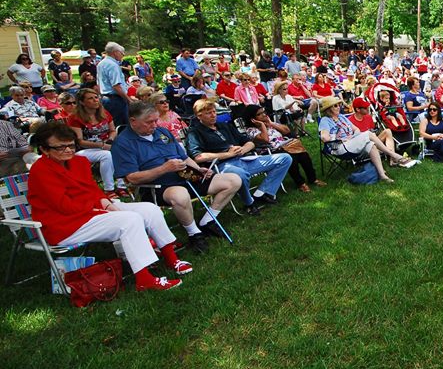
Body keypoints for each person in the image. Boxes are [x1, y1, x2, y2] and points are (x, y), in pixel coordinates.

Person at [27, 121, 185, 291]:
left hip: (89, 212)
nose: (68, 150)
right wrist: (101, 208)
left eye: (71, 145)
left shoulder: (79, 162)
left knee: (149, 209)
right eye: (60, 147)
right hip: (65, 225)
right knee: (129, 220)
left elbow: (93, 189)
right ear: (44, 149)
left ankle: (171, 258)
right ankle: (144, 279)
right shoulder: (40, 171)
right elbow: (63, 205)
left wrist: (105, 202)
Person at [112, 101, 243, 251]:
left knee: (233, 180)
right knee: (180, 195)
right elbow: (132, 178)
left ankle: (208, 221)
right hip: (159, 186)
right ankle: (194, 234)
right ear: (133, 121)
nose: (155, 125)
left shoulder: (162, 132)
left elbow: (184, 158)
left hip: (187, 175)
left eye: (156, 120)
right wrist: (163, 169)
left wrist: (199, 169)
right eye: (149, 122)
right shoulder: (123, 143)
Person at [185, 99, 292, 214]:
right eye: (208, 113)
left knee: (285, 158)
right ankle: (249, 203)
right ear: (198, 116)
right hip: (222, 166)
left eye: (214, 112)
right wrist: (228, 154)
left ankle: (263, 193)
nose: (213, 115)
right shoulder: (195, 133)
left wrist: (243, 149)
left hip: (243, 158)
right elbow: (198, 157)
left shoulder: (224, 126)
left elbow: (249, 142)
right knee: (241, 174)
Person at [316, 96, 414, 183]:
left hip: (351, 143)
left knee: (370, 145)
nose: (339, 107)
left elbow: (356, 129)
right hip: (339, 147)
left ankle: (382, 175)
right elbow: (325, 137)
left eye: (338, 105)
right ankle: (394, 155)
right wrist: (342, 139)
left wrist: (353, 137)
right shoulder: (325, 120)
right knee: (368, 134)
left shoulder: (342, 117)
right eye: (335, 106)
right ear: (329, 109)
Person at [241, 105, 324, 193]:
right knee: (292, 158)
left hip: (284, 145)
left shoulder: (269, 122)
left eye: (263, 112)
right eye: (259, 114)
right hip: (269, 151)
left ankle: (313, 179)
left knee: (303, 155)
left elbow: (287, 131)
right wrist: (262, 126)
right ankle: (301, 183)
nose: (264, 115)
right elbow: (265, 139)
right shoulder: (251, 130)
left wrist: (271, 124)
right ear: (252, 118)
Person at [66, 88, 121, 195]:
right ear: (82, 102)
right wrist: (101, 145)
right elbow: (80, 141)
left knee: (122, 149)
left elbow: (113, 131)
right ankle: (109, 189)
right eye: (90, 98)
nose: (96, 100)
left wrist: (110, 140)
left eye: (96, 97)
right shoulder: (75, 118)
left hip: (106, 145)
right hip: (84, 150)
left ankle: (121, 185)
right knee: (106, 155)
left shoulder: (104, 113)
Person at [97, 41, 132, 126]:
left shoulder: (101, 63)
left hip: (106, 99)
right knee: (121, 126)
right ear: (115, 52)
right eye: (122, 53)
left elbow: (98, 83)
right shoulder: (113, 65)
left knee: (111, 124)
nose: (123, 55)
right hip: (116, 100)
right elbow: (116, 86)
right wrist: (128, 100)